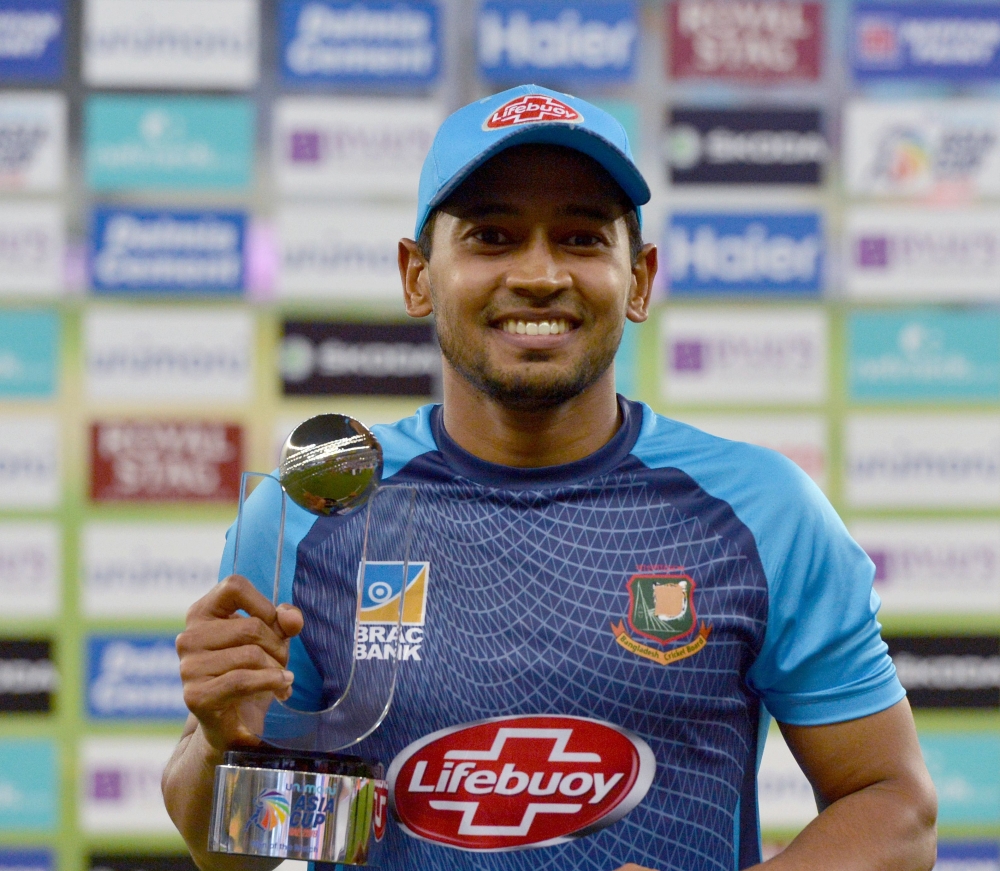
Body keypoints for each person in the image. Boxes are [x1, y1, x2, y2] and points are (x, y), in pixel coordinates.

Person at [163, 85, 937, 871]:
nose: (538, 274)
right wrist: (224, 741)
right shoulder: (311, 510)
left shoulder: (761, 511)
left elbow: (893, 806)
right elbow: (248, 853)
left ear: (637, 280)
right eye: (493, 236)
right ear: (418, 275)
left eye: (579, 237)